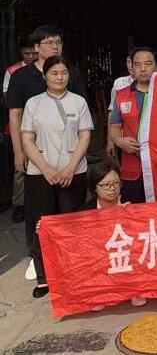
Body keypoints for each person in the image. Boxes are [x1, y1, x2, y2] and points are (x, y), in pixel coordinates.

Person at [5, 25, 87, 278]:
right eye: (49, 42)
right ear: (36, 47)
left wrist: (74, 162)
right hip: (36, 155)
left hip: (69, 158)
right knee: (38, 211)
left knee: (69, 210)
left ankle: (68, 258)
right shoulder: (21, 76)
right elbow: (15, 115)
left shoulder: (72, 73)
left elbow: (82, 122)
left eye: (58, 42)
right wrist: (18, 151)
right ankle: (37, 258)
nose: (54, 46)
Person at [21, 56, 92, 298]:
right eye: (54, 73)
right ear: (44, 77)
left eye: (63, 73)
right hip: (40, 173)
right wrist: (46, 169)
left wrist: (70, 168)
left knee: (72, 223)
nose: (59, 77)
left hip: (73, 172)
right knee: (42, 224)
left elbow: (85, 136)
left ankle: (72, 273)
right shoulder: (33, 103)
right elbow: (27, 139)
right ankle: (44, 277)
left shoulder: (78, 102)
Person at [79, 160, 148, 310]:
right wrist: (44, 228)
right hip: (102, 259)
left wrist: (132, 216)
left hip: (128, 257)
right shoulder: (86, 210)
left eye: (116, 183)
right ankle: (99, 291)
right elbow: (72, 237)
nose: (112, 189)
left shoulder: (132, 201)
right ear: (95, 188)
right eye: (106, 185)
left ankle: (134, 288)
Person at [109, 47, 157, 204]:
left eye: (148, 64)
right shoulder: (122, 95)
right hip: (132, 166)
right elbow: (114, 127)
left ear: (156, 66)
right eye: (138, 64)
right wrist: (120, 141)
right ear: (132, 68)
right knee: (133, 210)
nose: (143, 69)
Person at [2, 42, 36, 223]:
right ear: (21, 52)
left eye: (33, 53)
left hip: (40, 123)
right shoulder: (12, 71)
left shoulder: (46, 68)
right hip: (21, 123)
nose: (31, 56)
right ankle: (19, 204)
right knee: (21, 164)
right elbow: (8, 99)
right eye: (26, 53)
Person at [105, 56, 134, 159]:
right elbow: (112, 112)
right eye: (128, 62)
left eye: (134, 62)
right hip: (122, 139)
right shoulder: (119, 82)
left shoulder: (154, 83)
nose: (131, 65)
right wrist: (110, 140)